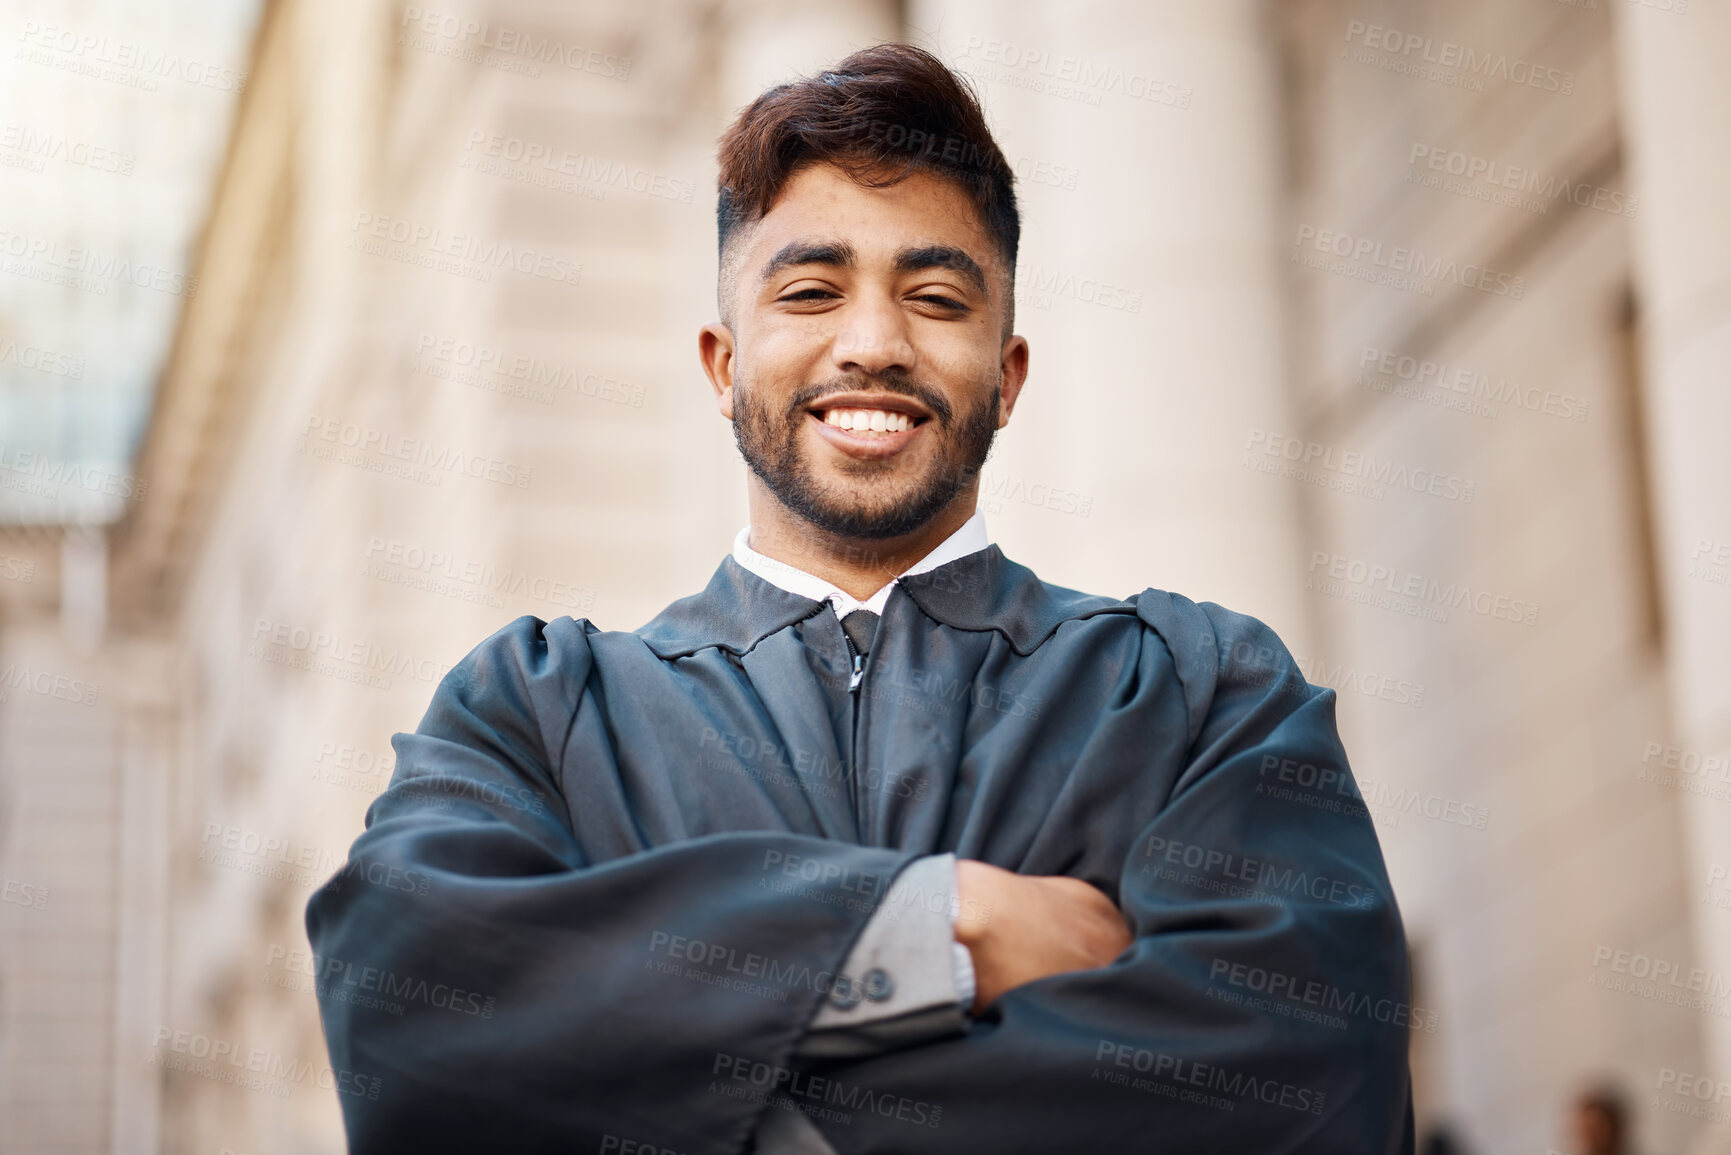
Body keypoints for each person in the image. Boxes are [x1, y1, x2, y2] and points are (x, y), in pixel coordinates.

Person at [307, 43, 1414, 1154]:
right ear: (722, 365)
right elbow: (406, 1006)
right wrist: (936, 928)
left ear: (1008, 373)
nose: (874, 344)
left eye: (935, 297)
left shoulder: (1198, 695)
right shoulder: (540, 711)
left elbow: (1303, 1078)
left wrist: (682, 1065)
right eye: (810, 292)